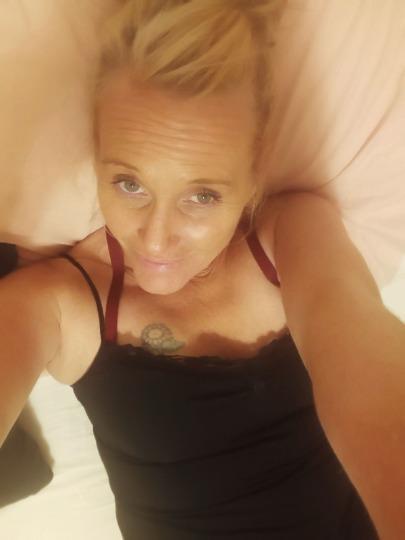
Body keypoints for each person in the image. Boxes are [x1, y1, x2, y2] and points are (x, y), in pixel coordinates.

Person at [1, 1, 404, 538]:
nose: (157, 239)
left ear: (254, 174)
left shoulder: (292, 239)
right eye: (130, 184)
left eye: (202, 195)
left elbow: (363, 352)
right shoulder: (60, 303)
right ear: (97, 161)